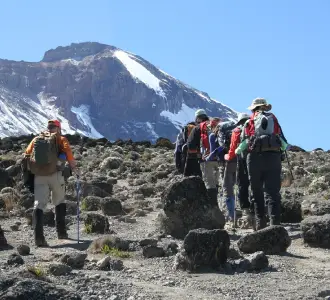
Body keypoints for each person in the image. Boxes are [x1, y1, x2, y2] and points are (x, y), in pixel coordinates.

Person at [235, 98, 289, 230]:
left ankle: (260, 224)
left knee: (256, 192)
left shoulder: (249, 121)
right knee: (273, 193)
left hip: (254, 160)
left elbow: (244, 143)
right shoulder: (273, 120)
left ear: (253, 109)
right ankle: (275, 225)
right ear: (265, 108)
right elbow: (284, 143)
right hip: (273, 158)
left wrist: (237, 151)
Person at [24, 120, 79, 247]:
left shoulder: (37, 139)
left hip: (39, 176)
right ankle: (61, 233)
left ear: (48, 127)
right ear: (58, 128)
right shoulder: (61, 139)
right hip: (56, 175)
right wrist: (74, 168)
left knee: (39, 205)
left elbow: (27, 154)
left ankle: (39, 238)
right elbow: (68, 153)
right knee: (59, 201)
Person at [224, 112, 255, 229]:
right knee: (253, 184)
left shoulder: (237, 131)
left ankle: (244, 211)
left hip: (240, 160)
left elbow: (233, 148)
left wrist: (228, 156)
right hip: (254, 160)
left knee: (241, 185)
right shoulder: (253, 128)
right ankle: (256, 211)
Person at [184, 109, 209, 177]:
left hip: (199, 156)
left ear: (198, 118)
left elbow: (190, 144)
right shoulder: (212, 126)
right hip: (213, 156)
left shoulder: (197, 128)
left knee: (198, 176)